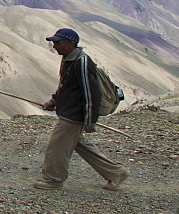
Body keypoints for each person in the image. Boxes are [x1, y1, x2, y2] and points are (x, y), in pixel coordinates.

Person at [34, 28, 129, 190]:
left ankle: (53, 179)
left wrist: (90, 120)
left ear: (70, 44)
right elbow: (65, 85)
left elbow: (92, 93)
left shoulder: (82, 62)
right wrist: (54, 100)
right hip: (68, 111)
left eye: (58, 43)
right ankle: (115, 172)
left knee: (57, 147)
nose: (54, 46)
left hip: (74, 115)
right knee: (80, 145)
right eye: (53, 43)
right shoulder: (68, 59)